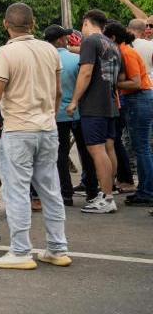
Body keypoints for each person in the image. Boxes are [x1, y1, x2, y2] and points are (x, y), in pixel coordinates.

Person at [0, 3, 70, 270]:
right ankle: (57, 248)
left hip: (18, 130)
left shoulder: (5, 53)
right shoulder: (50, 50)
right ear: (33, 24)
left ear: (5, 25)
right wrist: (50, 116)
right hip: (47, 128)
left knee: (16, 192)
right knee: (50, 190)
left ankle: (21, 251)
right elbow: (58, 92)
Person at [68, 9, 122, 214]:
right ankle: (108, 192)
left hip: (94, 105)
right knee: (109, 149)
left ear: (86, 24)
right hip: (110, 103)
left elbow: (86, 71)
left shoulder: (91, 42)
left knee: (96, 150)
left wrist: (74, 100)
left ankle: (107, 198)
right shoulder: (113, 45)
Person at [47, 25, 97, 207]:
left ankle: (65, 194)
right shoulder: (76, 59)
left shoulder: (46, 60)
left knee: (60, 154)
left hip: (57, 114)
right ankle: (92, 191)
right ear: (61, 39)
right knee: (86, 152)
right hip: (78, 112)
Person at [105, 21, 153, 206]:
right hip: (138, 100)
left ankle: (147, 192)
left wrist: (111, 83)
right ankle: (144, 189)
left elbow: (135, 83)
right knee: (140, 148)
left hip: (139, 99)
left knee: (142, 149)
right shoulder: (124, 51)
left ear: (113, 38)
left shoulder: (126, 53)